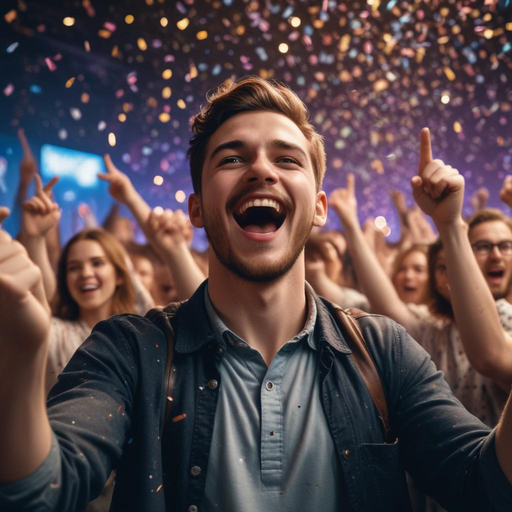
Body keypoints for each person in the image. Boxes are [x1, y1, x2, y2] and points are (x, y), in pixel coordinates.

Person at [1, 77, 511, 512]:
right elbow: (41, 490)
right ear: (198, 209)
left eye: (287, 158)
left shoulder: (383, 351)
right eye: (232, 157)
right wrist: (19, 355)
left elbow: (485, 484)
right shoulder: (132, 349)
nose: (262, 169)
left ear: (318, 207)